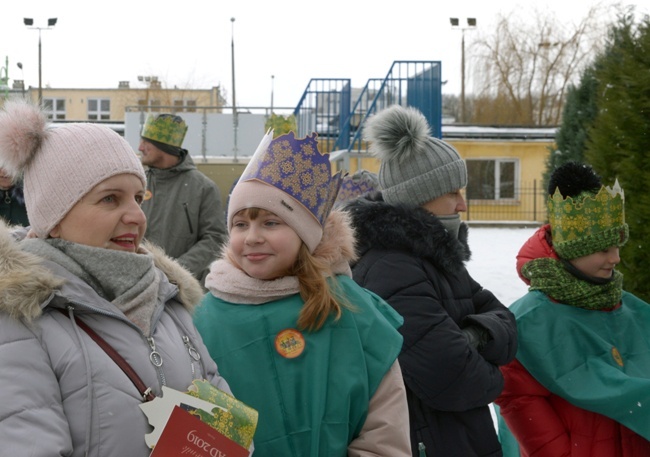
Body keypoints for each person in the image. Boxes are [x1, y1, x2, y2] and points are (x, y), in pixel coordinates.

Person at [0, 100, 235, 457]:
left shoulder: (165, 296)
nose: (138, 216)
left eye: (138, 198)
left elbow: (215, 396)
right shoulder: (21, 318)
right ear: (54, 217)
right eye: (110, 198)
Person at [193, 130, 412, 457]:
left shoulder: (349, 309)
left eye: (270, 223)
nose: (252, 237)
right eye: (240, 224)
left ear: (305, 234)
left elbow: (384, 429)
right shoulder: (204, 318)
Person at [343, 105, 518, 457]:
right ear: (419, 196)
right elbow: (454, 379)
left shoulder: (432, 256)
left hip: (455, 437)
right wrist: (497, 376)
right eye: (453, 192)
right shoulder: (392, 267)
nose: (462, 204)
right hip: (432, 442)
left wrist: (474, 335)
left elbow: (505, 319)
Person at [495, 161, 650, 457]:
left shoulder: (628, 307)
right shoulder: (529, 319)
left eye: (617, 247)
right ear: (572, 250)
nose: (616, 258)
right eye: (604, 249)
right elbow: (518, 399)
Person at [139, 113, 227, 285]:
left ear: (163, 147)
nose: (140, 147)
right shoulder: (138, 182)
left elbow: (215, 239)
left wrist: (173, 271)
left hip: (182, 291)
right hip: (137, 283)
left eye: (146, 142)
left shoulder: (203, 188)